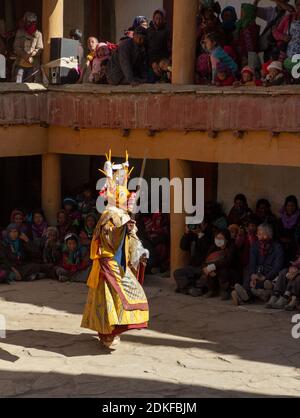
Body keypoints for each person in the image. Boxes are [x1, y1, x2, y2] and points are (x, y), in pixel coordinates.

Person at [81, 152, 149, 350]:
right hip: (108, 262)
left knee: (116, 298)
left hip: (121, 262)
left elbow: (133, 238)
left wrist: (140, 250)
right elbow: (108, 235)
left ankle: (110, 331)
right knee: (111, 298)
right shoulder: (109, 215)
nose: (127, 198)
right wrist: (123, 229)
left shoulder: (124, 214)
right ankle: (107, 333)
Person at [232, 224, 285, 305]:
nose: (260, 237)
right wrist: (253, 275)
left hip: (269, 273)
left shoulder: (277, 247)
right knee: (247, 269)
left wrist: (265, 277)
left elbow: (277, 267)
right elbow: (252, 262)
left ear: (269, 235)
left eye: (263, 234)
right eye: (259, 234)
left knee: (267, 282)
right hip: (257, 272)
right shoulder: (255, 245)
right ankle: (248, 293)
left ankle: (248, 294)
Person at [193, 229, 240, 300]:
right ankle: (212, 289)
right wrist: (206, 268)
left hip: (231, 272)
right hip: (215, 271)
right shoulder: (213, 247)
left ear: (226, 239)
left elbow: (228, 262)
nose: (218, 240)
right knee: (209, 270)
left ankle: (225, 290)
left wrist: (212, 266)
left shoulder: (232, 247)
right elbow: (205, 260)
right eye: (216, 238)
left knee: (222, 269)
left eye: (220, 238)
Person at [13, 12, 43, 82]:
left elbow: (40, 48)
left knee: (29, 86)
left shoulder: (38, 34)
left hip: (33, 66)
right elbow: (16, 47)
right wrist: (25, 55)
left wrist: (31, 54)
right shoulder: (20, 32)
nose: (29, 24)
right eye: (27, 22)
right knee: (18, 84)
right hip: (20, 64)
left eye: (31, 22)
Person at [146, 9, 171, 75]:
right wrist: (152, 62)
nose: (158, 21)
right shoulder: (148, 31)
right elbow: (147, 48)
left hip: (162, 59)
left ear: (163, 19)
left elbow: (168, 47)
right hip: (150, 60)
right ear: (153, 19)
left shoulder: (167, 31)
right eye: (156, 18)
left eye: (160, 19)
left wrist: (165, 59)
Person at [278, 195, 300, 264]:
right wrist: (281, 239)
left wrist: (290, 240)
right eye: (288, 205)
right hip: (282, 246)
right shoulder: (281, 219)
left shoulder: (299, 219)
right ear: (285, 206)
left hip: (295, 246)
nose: (290, 208)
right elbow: (277, 232)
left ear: (296, 207)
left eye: (292, 205)